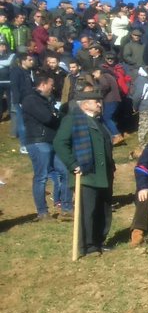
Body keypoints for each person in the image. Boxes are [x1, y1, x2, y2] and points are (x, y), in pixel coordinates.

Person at [53, 90, 115, 256]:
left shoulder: (98, 121)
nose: (100, 104)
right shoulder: (72, 120)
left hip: (104, 174)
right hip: (86, 175)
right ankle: (87, 246)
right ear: (85, 103)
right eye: (97, 101)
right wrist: (73, 164)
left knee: (103, 210)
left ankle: (98, 241)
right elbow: (60, 143)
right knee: (87, 212)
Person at [22, 71, 73, 221]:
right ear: (43, 85)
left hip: (51, 141)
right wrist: (56, 117)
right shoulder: (31, 100)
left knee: (65, 172)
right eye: (51, 84)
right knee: (42, 177)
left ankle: (66, 208)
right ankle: (42, 212)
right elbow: (47, 118)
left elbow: (53, 116)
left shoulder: (46, 100)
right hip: (39, 142)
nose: (53, 87)